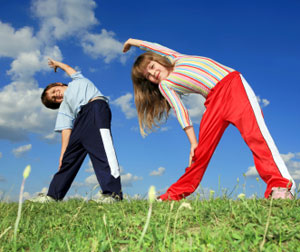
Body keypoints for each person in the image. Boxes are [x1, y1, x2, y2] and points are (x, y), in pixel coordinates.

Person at [123, 38, 296, 201]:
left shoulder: (176, 57)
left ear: (158, 60)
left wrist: (133, 41)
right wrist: (193, 143)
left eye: (152, 67)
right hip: (213, 103)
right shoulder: (165, 85)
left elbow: (153, 46)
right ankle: (173, 195)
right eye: (149, 76)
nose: (154, 74)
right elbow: (180, 111)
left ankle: (281, 187)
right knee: (200, 154)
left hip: (233, 86)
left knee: (255, 135)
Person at [30, 58, 122, 203]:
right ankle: (53, 196)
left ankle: (112, 195)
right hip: (80, 119)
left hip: (96, 108)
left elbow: (68, 67)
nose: (57, 96)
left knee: (102, 151)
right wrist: (62, 155)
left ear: (58, 84)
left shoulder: (77, 80)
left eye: (55, 91)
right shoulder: (65, 108)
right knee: (69, 159)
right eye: (55, 99)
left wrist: (58, 64)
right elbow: (66, 130)